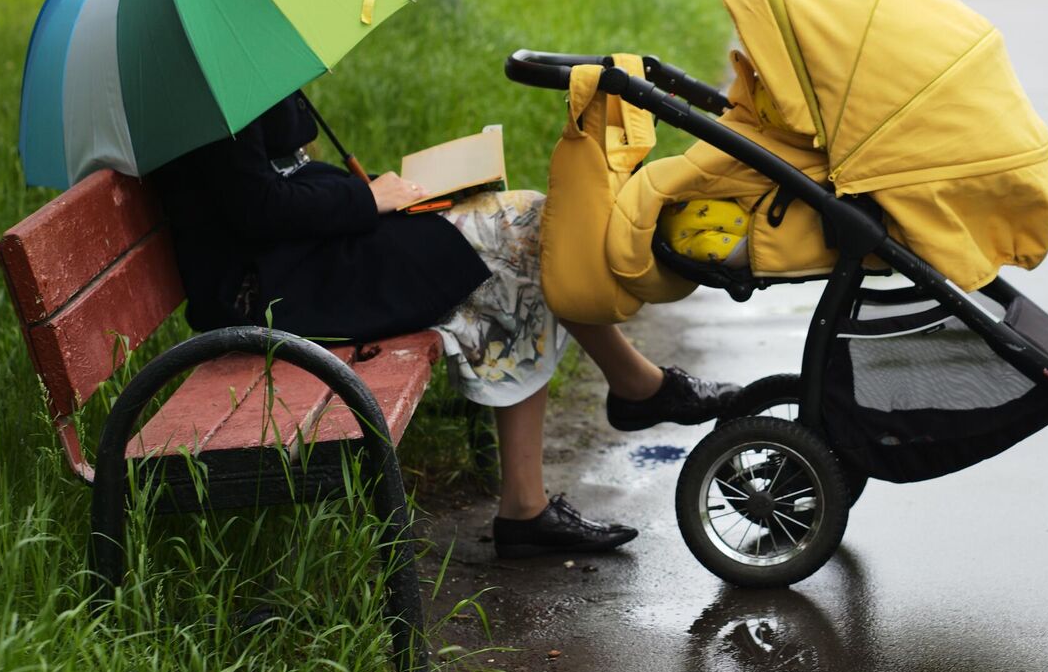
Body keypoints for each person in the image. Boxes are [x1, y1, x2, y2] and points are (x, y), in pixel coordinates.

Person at [149, 91, 742, 557]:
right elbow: (257, 208)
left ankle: (537, 498)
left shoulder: (234, 62)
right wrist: (368, 201)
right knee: (522, 235)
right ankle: (631, 395)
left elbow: (278, 176)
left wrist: (380, 192)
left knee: (518, 237)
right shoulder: (203, 87)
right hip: (278, 292)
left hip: (303, 261)